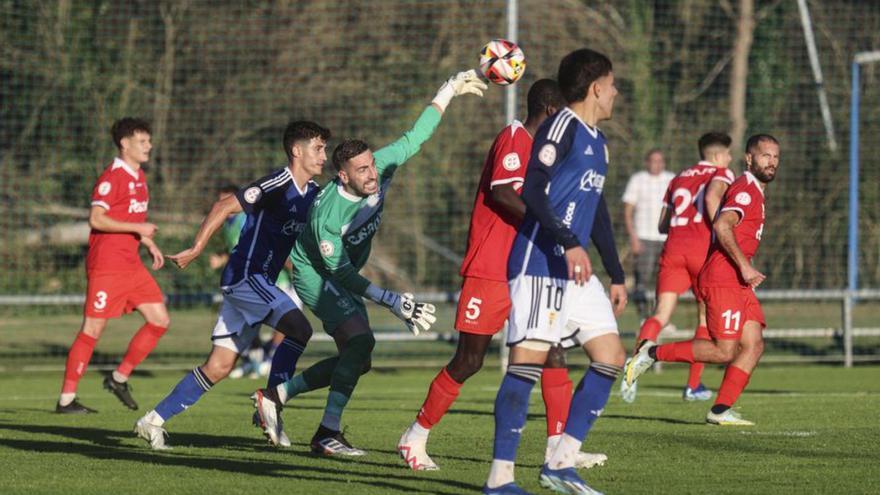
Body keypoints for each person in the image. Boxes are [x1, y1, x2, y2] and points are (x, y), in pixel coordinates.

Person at [251, 70, 487, 456]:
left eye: (372, 165)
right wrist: (391, 300)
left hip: (340, 274)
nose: (373, 174)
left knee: (358, 361)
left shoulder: (379, 164)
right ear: (342, 176)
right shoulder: (328, 214)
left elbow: (417, 136)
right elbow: (339, 272)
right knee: (360, 342)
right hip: (315, 274)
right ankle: (326, 433)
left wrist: (448, 90)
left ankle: (275, 396)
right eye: (362, 171)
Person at [397, 79, 609, 472]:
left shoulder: (544, 154)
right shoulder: (514, 137)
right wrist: (548, 223)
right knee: (469, 360)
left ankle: (558, 449)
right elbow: (502, 192)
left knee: (553, 351)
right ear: (549, 112)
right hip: (491, 267)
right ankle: (415, 435)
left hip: (527, 268)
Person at [133, 120, 331, 449]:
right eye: (318, 148)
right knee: (300, 328)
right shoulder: (277, 182)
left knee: (219, 367)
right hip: (245, 276)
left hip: (256, 283)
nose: (324, 155)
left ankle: (152, 420)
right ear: (297, 151)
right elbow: (224, 206)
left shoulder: (313, 194)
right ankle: (271, 403)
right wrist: (196, 248)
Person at [483, 48, 627, 495]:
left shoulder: (598, 141)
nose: (616, 92)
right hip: (540, 263)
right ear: (596, 86)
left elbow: (596, 208)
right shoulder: (560, 125)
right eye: (613, 83)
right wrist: (567, 241)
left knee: (611, 358)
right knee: (525, 366)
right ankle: (499, 479)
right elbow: (531, 188)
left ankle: (561, 463)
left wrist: (616, 271)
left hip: (576, 269)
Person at [624, 134, 779, 426]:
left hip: (735, 280)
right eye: (764, 156)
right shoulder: (744, 189)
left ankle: (719, 410)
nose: (771, 162)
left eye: (775, 157)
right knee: (724, 350)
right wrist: (745, 267)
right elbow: (722, 224)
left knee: (754, 343)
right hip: (724, 278)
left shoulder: (753, 189)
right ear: (748, 158)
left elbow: (666, 221)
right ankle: (650, 353)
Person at [56, 118, 170, 414]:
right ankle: (66, 400)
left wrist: (148, 241)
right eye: (143, 141)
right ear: (125, 144)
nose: (149, 146)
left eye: (149, 141)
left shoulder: (139, 176)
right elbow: (96, 219)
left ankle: (118, 378)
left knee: (160, 320)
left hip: (130, 264)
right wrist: (141, 229)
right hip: (107, 265)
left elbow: (132, 221)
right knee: (92, 330)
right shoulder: (112, 177)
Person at [620, 133, 735, 403]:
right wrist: (721, 231)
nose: (730, 159)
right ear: (718, 156)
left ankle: (633, 369)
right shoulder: (722, 174)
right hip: (702, 250)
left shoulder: (679, 177)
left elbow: (663, 224)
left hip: (673, 248)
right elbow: (711, 202)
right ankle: (693, 386)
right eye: (728, 154)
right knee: (705, 319)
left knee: (660, 313)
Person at [208, 184, 288, 381]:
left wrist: (222, 260)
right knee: (250, 324)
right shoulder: (228, 224)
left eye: (227, 200)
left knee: (287, 324)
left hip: (272, 280)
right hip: (247, 281)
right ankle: (252, 362)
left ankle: (268, 359)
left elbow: (249, 249)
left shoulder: (245, 218)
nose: (223, 204)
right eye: (220, 200)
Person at [622, 149, 674, 319]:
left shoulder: (671, 179)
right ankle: (644, 317)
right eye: (653, 160)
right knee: (642, 281)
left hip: (666, 238)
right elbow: (628, 211)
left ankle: (661, 318)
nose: (656, 164)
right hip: (644, 237)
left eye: (660, 161)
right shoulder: (638, 180)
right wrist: (634, 238)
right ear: (647, 162)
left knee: (666, 280)